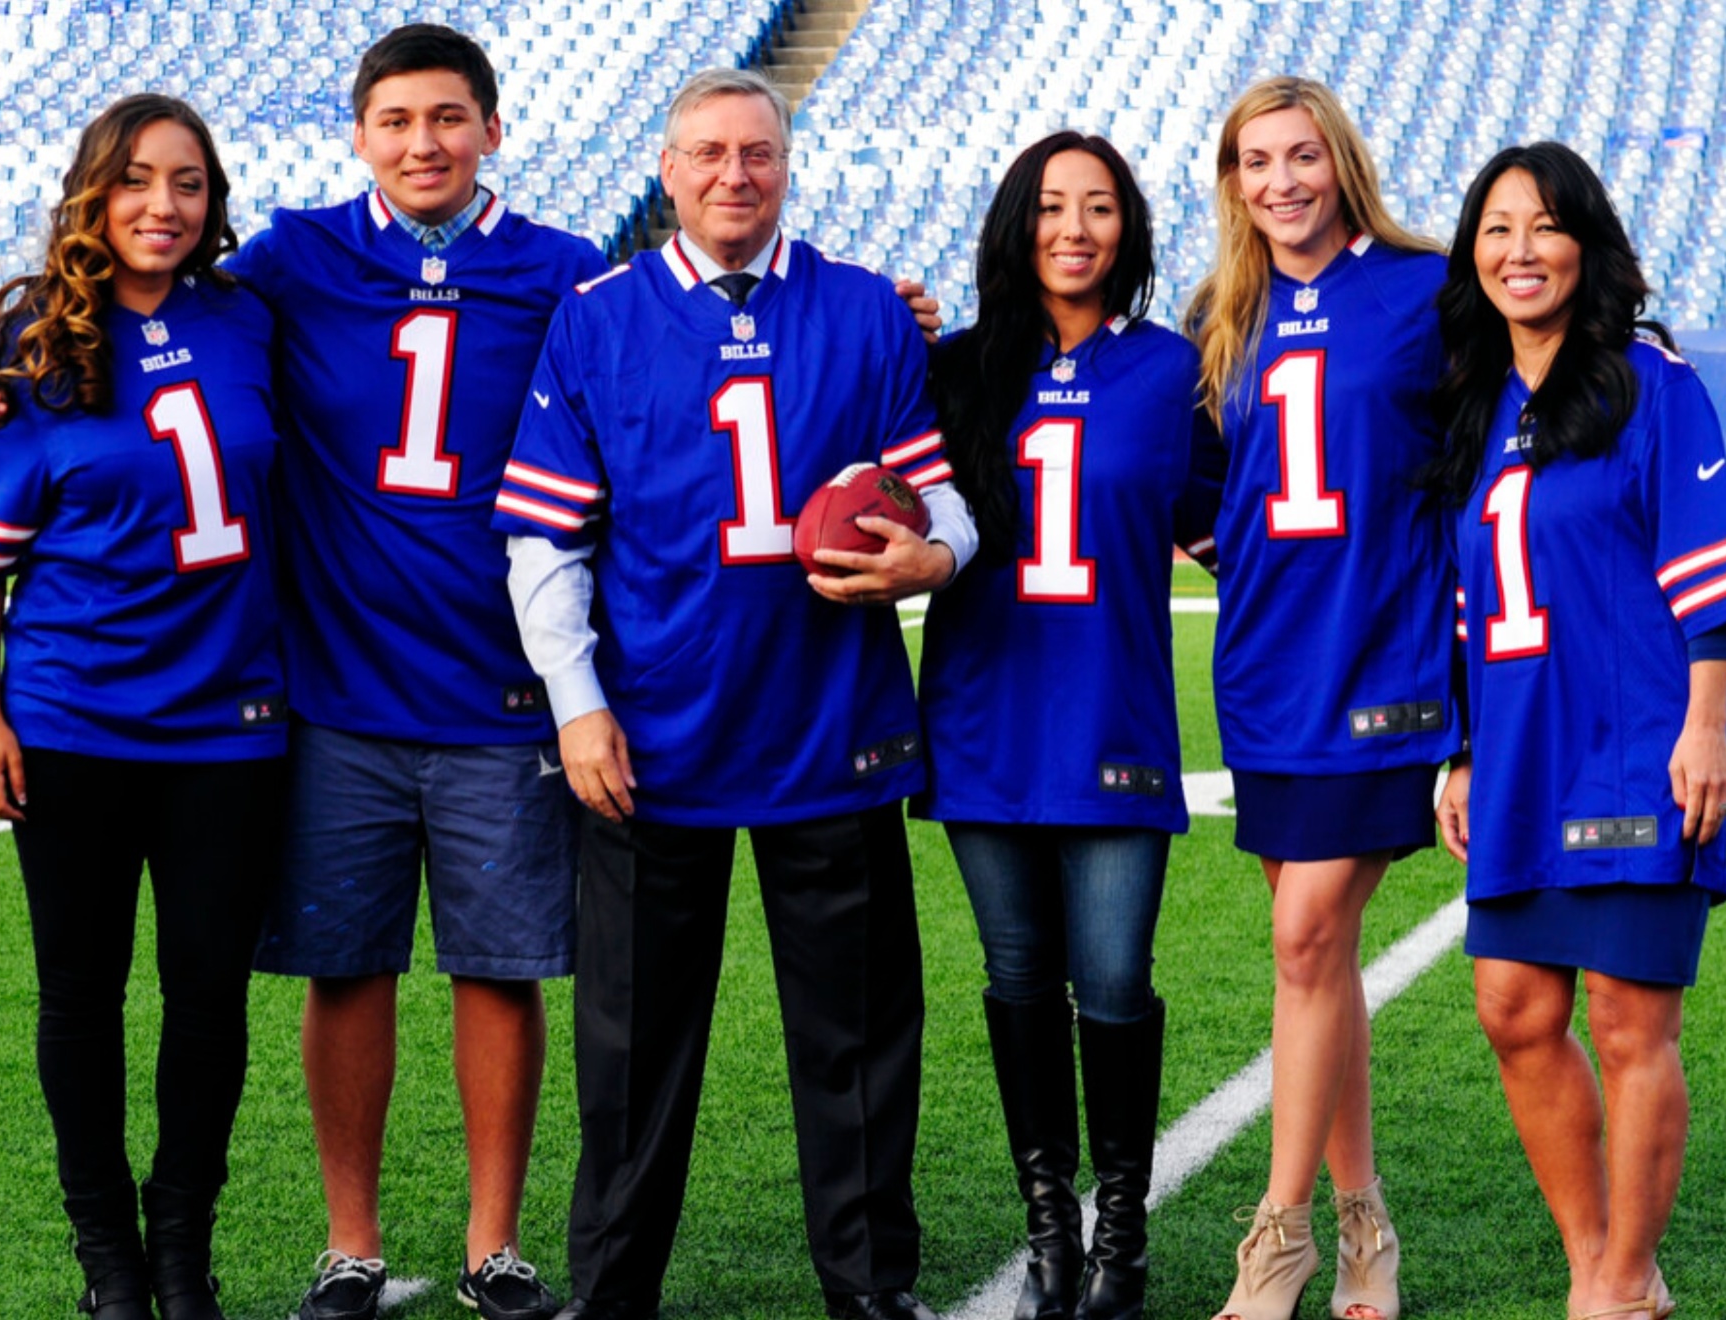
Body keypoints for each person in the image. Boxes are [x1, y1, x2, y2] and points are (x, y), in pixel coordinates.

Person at [0, 26, 605, 1320]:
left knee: (494, 970)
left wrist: (897, 313)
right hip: (326, 689)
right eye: (398, 120)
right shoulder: (292, 261)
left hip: (486, 687)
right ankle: (335, 1250)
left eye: (450, 118)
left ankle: (492, 1246)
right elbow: (90, 332)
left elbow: (677, 329)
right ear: (357, 135)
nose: (424, 143)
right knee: (334, 966)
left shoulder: (564, 271)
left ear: (493, 130)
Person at [496, 68, 976, 1320]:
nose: (733, 175)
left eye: (757, 152)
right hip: (654, 732)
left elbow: (939, 494)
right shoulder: (598, 319)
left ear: (786, 164)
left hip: (833, 727)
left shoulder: (867, 310)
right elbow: (545, 541)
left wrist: (939, 558)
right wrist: (577, 702)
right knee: (634, 1053)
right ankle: (612, 1296)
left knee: (860, 1041)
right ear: (668, 172)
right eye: (707, 153)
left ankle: (871, 1291)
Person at [0, 94, 285, 1320]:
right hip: (74, 723)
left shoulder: (253, 316)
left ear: (213, 200)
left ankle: (184, 1254)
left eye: (188, 184)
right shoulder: (33, 341)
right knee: (79, 995)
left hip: (231, 727)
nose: (164, 206)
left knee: (207, 999)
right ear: (96, 190)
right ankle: (110, 1266)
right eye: (139, 181)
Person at [1429, 141, 1726, 1320]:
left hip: (1634, 740)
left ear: (1588, 243)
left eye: (1546, 226)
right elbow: (1469, 602)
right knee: (1514, 1009)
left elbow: (1707, 575)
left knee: (1627, 1023)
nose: (1522, 251)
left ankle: (1618, 1290)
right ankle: (1598, 1258)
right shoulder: (1477, 408)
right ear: (1475, 253)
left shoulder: (1650, 383)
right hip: (1518, 749)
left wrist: (1706, 724)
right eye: (1498, 229)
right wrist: (1462, 750)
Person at [914, 131, 1207, 1320]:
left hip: (1116, 715)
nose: (1073, 229)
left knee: (1117, 978)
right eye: (1050, 207)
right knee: (1020, 977)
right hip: (985, 714)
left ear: (1128, 228)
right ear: (1015, 225)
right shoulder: (954, 367)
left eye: (1097, 207)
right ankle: (1052, 1233)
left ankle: (1122, 1238)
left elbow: (1242, 528)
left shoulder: (1177, 370)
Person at [1182, 76, 1460, 1320]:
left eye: (1303, 157)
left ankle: (1277, 1237)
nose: (1282, 181)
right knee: (1319, 958)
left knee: (1303, 940)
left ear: (1342, 164)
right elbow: (1193, 498)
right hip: (1266, 669)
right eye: (1257, 162)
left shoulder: (1423, 288)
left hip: (1386, 664)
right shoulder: (1218, 313)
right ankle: (1366, 1226)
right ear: (1234, 181)